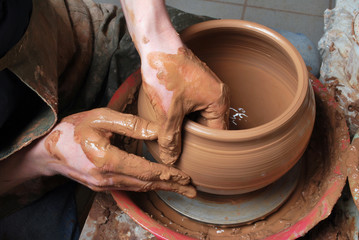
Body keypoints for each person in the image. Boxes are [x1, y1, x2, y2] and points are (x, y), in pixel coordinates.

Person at [0, 0, 229, 238]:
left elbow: (157, 37)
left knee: (219, 47)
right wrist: (46, 157)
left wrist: (156, 39)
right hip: (14, 173)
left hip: (63, 42)